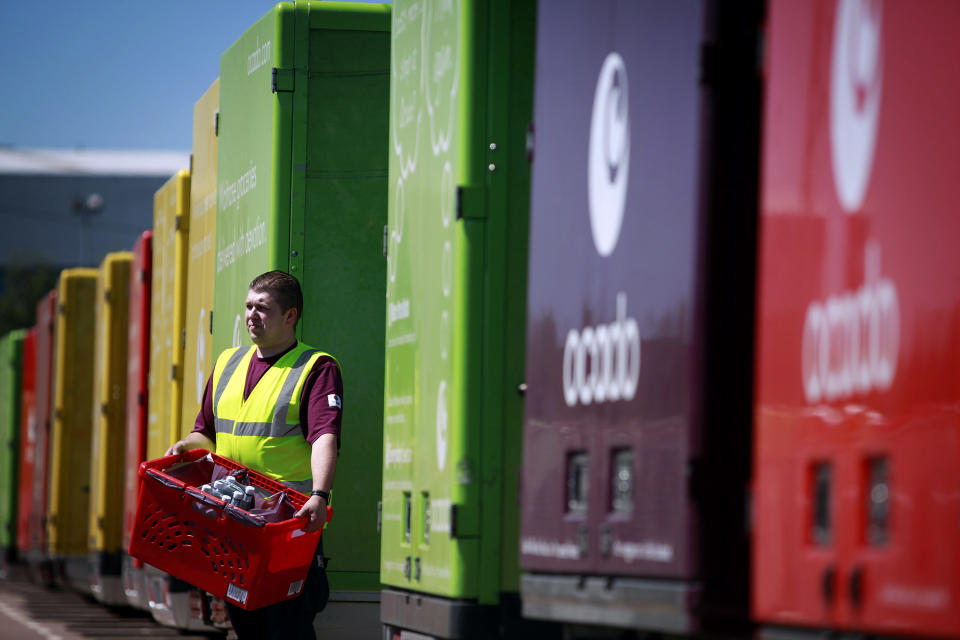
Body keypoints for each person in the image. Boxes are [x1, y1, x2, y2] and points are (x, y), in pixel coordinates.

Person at [166, 270, 342, 640]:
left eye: (262, 308)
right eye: (248, 306)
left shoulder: (315, 367)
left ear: (290, 315)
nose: (251, 315)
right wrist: (185, 446)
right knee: (247, 627)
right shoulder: (228, 363)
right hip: (233, 523)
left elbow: (326, 436)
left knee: (287, 627)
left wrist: (319, 495)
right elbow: (206, 433)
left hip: (286, 524)